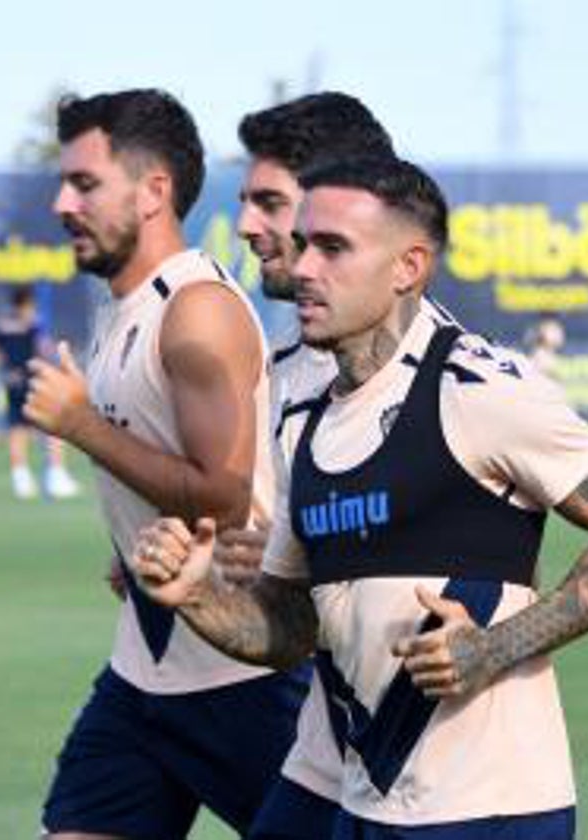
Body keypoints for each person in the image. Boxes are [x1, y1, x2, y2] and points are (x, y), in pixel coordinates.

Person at [130, 155, 588, 839]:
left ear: (408, 267)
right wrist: (196, 593)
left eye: (334, 248)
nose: (304, 268)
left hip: (489, 809)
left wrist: (493, 648)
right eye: (304, 244)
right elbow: (289, 628)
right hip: (365, 802)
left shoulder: (478, 391)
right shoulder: (303, 418)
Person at [23, 88, 308, 840]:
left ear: (154, 192)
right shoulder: (125, 305)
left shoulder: (197, 310)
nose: (61, 201)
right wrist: (135, 548)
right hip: (142, 676)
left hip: (242, 679)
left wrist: (80, 425)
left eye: (84, 183)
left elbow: (224, 494)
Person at [230, 92, 397, 840]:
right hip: (323, 757)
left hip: (435, 781)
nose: (246, 226)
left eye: (270, 202)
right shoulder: (287, 376)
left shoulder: (465, 381)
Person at [0, 286, 81, 499]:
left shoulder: (2, 325)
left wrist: (2, 364)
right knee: (53, 426)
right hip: (31, 380)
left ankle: (21, 479)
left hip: (12, 382)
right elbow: (43, 348)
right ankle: (55, 475)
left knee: (17, 429)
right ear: (28, 303)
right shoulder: (34, 324)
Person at [523, 311, 566, 382]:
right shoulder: (536, 326)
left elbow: (557, 342)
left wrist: (542, 337)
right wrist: (536, 335)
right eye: (544, 317)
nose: (545, 319)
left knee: (549, 377)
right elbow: (527, 341)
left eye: (548, 317)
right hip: (536, 355)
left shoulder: (555, 327)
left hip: (548, 356)